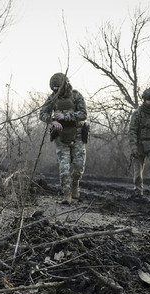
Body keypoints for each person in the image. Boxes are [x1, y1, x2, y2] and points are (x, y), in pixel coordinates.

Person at [39, 72, 88, 204]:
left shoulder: (76, 96)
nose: (56, 91)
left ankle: (75, 183)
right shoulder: (53, 98)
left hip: (77, 134)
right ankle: (67, 194)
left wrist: (67, 117)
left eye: (58, 89)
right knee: (64, 168)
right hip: (61, 135)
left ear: (64, 85)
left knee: (79, 166)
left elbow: (83, 114)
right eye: (54, 89)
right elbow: (42, 113)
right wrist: (52, 121)